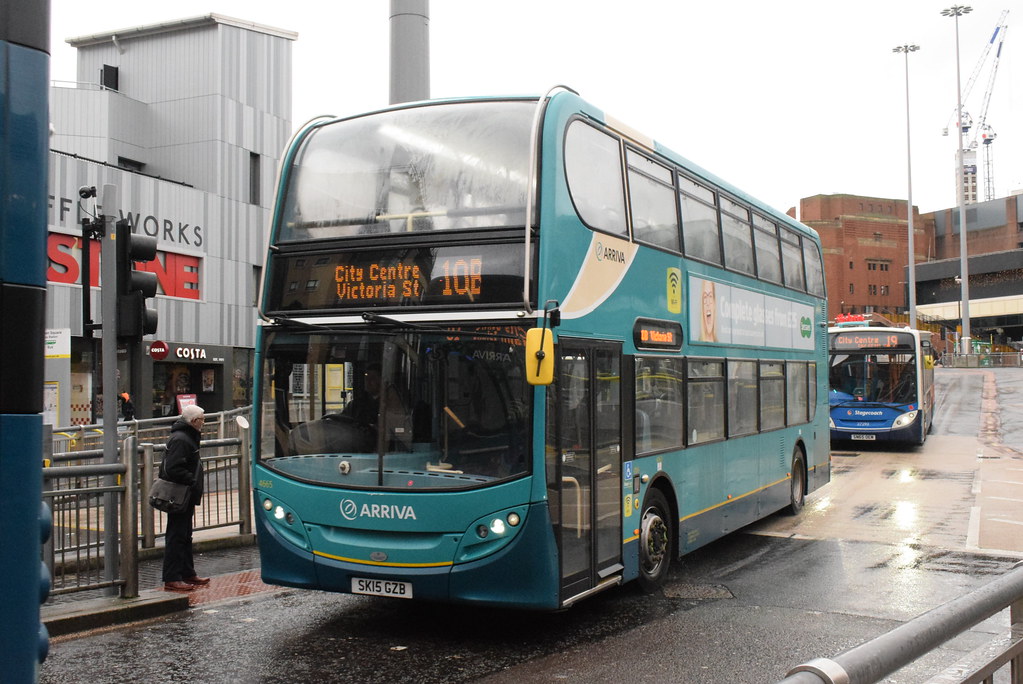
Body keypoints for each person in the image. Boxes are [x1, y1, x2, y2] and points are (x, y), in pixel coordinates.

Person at [161, 404, 210, 592]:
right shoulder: (182, 439)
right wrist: (192, 480)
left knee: (185, 534)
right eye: (202, 419)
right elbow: (173, 468)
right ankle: (172, 577)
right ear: (193, 421)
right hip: (179, 494)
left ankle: (187, 572)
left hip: (185, 494)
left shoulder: (187, 436)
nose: (204, 423)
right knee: (177, 535)